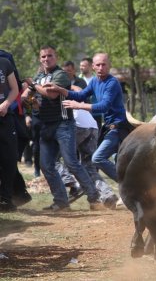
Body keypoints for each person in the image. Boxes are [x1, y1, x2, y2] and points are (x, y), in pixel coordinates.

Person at [24, 45, 103, 211]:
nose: (46, 59)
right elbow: (38, 104)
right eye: (43, 57)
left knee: (71, 163)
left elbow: (51, 94)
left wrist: (33, 84)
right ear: (40, 59)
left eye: (50, 56)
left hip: (63, 125)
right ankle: (61, 202)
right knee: (46, 165)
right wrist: (31, 101)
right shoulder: (39, 76)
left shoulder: (61, 75)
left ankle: (94, 198)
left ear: (56, 57)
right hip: (46, 126)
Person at [45, 52, 132, 183]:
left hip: (118, 128)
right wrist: (60, 89)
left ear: (109, 65)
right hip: (108, 128)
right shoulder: (94, 82)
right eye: (98, 65)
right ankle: (126, 188)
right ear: (93, 67)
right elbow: (81, 95)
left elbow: (104, 106)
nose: (101, 67)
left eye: (104, 64)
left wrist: (78, 106)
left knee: (97, 158)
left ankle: (126, 185)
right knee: (110, 162)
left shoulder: (112, 83)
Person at [0, 57, 19, 211]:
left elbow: (15, 89)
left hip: (5, 118)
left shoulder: (4, 62)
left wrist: (6, 104)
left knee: (10, 158)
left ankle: (6, 198)